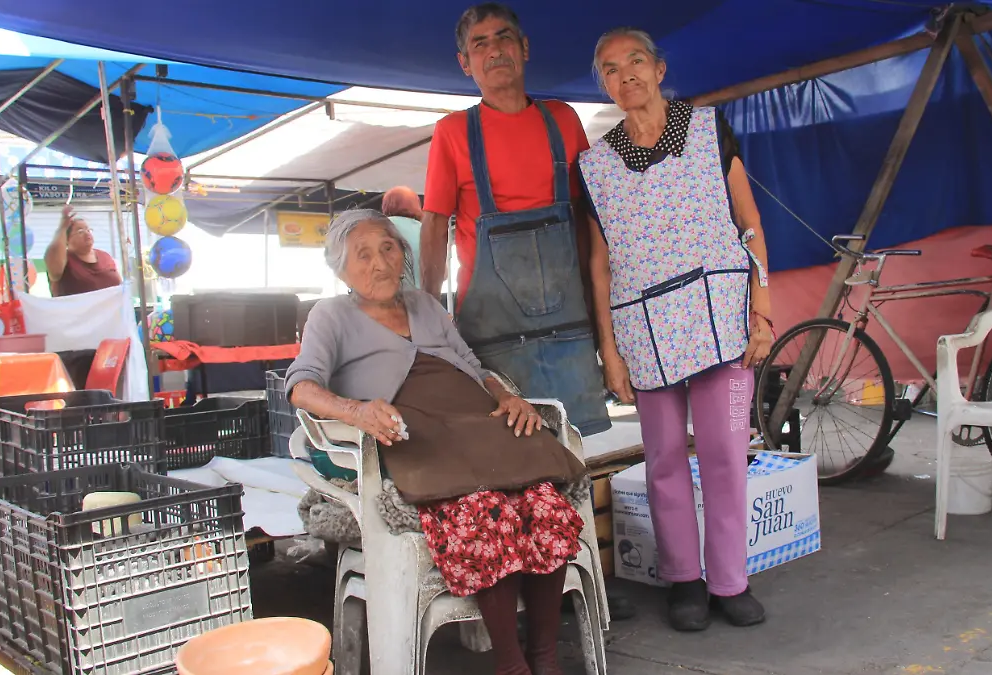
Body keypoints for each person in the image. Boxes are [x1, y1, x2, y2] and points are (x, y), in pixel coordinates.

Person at [286, 209, 587, 675]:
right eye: (362, 255)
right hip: (419, 434)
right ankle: (512, 664)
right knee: (484, 511)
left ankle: (545, 655)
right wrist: (358, 411)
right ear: (340, 269)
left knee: (544, 503)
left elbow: (471, 364)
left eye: (388, 247)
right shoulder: (331, 315)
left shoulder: (425, 304)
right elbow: (301, 387)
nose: (380, 262)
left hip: (478, 422)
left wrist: (509, 397)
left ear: (403, 251)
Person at [580, 28, 776, 632]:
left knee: (724, 454)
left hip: (721, 317)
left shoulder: (709, 129)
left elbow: (749, 220)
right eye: (610, 70)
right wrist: (609, 351)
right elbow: (599, 263)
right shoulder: (593, 166)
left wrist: (762, 307)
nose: (626, 76)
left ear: (659, 69)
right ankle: (684, 582)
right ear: (605, 85)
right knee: (663, 459)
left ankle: (729, 580)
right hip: (644, 331)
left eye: (635, 62)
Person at [419, 2, 610, 437]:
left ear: (524, 48)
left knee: (572, 450)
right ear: (465, 64)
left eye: (504, 37)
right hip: (492, 335)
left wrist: (601, 314)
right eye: (479, 44)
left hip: (570, 329)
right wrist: (427, 311)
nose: (495, 50)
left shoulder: (563, 119)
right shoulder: (452, 132)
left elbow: (588, 221)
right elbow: (434, 226)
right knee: (507, 457)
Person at [45, 205, 122, 296]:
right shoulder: (64, 259)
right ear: (67, 239)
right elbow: (55, 272)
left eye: (88, 230)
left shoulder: (105, 256)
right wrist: (62, 228)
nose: (87, 233)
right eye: (80, 231)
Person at [381, 186, 425, 288]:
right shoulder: (426, 231)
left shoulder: (378, 227)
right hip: (420, 298)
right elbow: (443, 273)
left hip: (384, 298)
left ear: (385, 206)